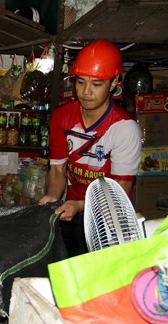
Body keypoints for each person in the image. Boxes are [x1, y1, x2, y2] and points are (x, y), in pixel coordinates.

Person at [38, 39, 142, 257]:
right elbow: (57, 169)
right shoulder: (62, 116)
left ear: (114, 83)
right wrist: (53, 197)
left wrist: (78, 204)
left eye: (96, 84)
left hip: (110, 218)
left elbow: (120, 190)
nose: (86, 91)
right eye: (80, 82)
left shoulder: (124, 128)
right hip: (72, 212)